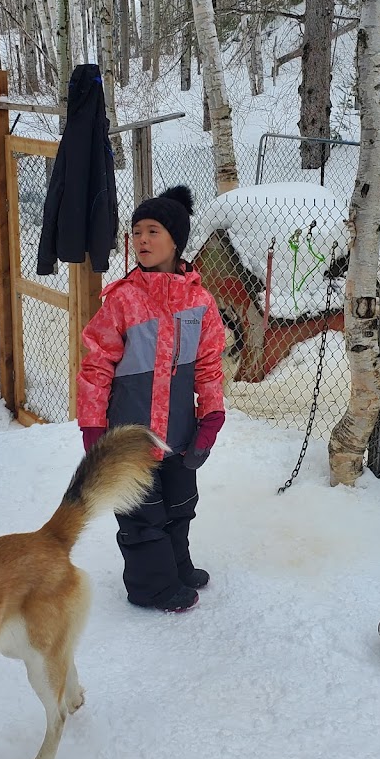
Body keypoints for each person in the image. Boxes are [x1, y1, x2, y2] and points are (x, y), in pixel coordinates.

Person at [76, 185, 225, 612]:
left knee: (180, 506)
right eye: (136, 231)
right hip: (130, 435)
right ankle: (151, 588)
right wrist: (93, 428)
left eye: (153, 231)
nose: (141, 240)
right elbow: (96, 366)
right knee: (142, 516)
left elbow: (210, 366)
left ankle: (176, 567)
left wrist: (210, 418)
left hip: (178, 431)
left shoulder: (200, 302)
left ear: (176, 239)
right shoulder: (123, 299)